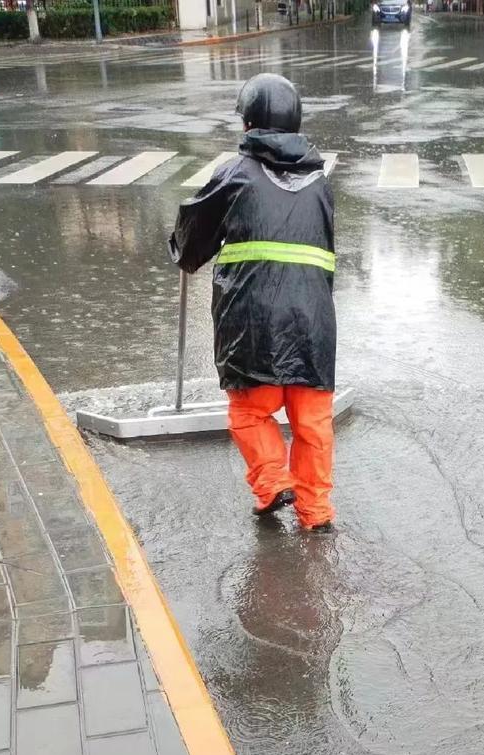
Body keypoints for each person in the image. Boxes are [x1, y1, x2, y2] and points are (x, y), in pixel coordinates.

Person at [168, 73, 337, 533]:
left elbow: (191, 243)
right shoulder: (320, 182)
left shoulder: (235, 175)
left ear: (249, 124)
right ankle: (315, 512)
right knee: (312, 424)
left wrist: (180, 246)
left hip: (252, 322)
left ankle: (272, 482)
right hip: (312, 325)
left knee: (250, 411)